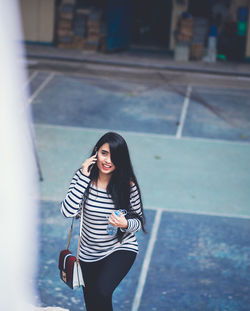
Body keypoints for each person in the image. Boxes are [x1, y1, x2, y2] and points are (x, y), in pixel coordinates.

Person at [61, 132, 146, 311]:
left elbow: (138, 221)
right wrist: (83, 178)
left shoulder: (127, 185)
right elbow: (68, 211)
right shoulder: (81, 178)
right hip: (87, 254)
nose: (108, 160)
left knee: (102, 292)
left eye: (114, 156)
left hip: (119, 248)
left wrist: (125, 224)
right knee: (93, 304)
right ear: (96, 152)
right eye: (104, 153)